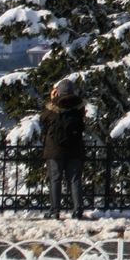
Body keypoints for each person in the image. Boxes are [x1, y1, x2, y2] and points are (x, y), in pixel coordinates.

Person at [40, 79, 88, 220]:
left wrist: (53, 98)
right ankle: (77, 210)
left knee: (55, 179)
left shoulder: (52, 107)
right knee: (75, 179)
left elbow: (43, 120)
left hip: (55, 149)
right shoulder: (79, 107)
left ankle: (55, 211)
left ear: (58, 91)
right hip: (74, 148)